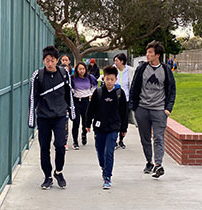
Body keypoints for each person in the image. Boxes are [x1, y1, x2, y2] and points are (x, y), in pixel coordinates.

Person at [28, 46, 75, 189]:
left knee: (60, 146)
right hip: (43, 117)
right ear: (43, 61)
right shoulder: (38, 75)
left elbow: (70, 93)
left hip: (60, 116)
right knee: (44, 148)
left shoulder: (64, 74)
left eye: (52, 60)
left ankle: (58, 172)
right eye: (47, 61)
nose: (50, 63)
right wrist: (31, 119)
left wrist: (71, 112)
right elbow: (32, 98)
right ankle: (47, 176)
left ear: (57, 61)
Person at [129, 40, 176, 179]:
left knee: (158, 137)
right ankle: (149, 161)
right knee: (145, 138)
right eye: (147, 52)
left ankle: (158, 164)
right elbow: (134, 87)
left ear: (158, 55)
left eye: (150, 52)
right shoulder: (142, 68)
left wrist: (168, 109)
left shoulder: (166, 70)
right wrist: (134, 107)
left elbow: (172, 90)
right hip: (142, 108)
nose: (147, 55)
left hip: (159, 109)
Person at [86, 66, 128, 189]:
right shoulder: (98, 92)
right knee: (100, 153)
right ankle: (104, 168)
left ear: (115, 80)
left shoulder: (120, 93)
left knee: (109, 152)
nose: (109, 81)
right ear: (103, 78)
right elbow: (91, 110)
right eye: (107, 79)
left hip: (113, 127)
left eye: (111, 79)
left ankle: (108, 177)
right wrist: (87, 124)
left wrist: (123, 129)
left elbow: (124, 112)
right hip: (99, 127)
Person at [71, 62, 98, 150]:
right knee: (76, 122)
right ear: (77, 70)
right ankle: (75, 141)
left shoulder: (90, 77)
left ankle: (84, 134)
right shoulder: (73, 78)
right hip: (76, 101)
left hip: (86, 101)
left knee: (85, 121)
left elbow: (95, 85)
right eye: (80, 69)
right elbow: (70, 88)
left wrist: (91, 93)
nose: (82, 71)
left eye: (83, 69)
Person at [113, 53, 134, 149]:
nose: (115, 62)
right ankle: (114, 140)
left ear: (122, 61)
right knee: (114, 120)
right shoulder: (112, 69)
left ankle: (121, 140)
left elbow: (132, 85)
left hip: (125, 99)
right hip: (114, 99)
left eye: (117, 60)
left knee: (124, 121)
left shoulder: (129, 70)